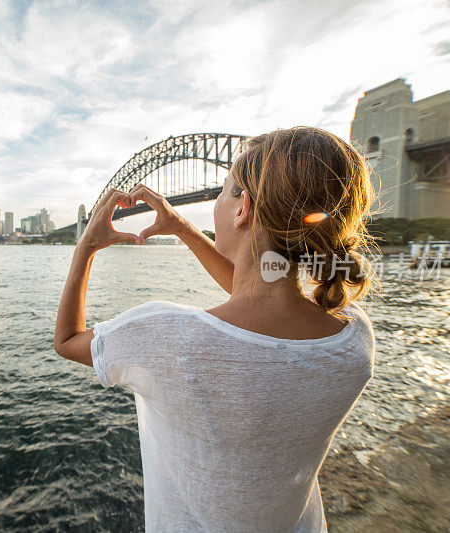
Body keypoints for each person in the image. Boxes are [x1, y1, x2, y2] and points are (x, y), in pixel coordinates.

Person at [53, 126, 376, 532]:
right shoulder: (354, 340)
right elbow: (259, 297)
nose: (218, 202)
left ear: (243, 209)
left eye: (225, 192)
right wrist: (184, 228)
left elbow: (66, 341)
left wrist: (86, 246)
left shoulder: (164, 335)